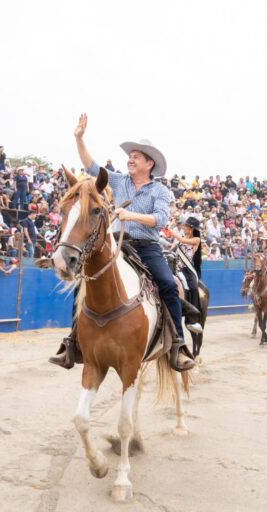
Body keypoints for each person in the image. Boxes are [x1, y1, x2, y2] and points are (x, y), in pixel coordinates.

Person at [50, 114, 195, 372]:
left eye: (136, 156)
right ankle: (73, 341)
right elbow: (90, 166)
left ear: (149, 164)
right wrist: (79, 138)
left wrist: (131, 215)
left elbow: (160, 220)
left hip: (147, 247)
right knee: (82, 282)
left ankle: (178, 345)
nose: (130, 159)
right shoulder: (118, 180)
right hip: (117, 245)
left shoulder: (160, 191)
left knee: (167, 285)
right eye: (130, 156)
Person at [170, 216, 204, 334]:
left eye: (185, 226)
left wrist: (171, 230)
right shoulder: (180, 238)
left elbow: (183, 241)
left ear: (191, 228)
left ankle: (191, 319)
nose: (184, 228)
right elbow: (172, 249)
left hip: (187, 270)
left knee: (194, 288)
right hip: (176, 267)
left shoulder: (196, 240)